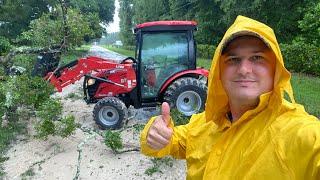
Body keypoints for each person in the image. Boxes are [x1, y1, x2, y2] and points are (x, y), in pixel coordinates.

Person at [140, 15, 320, 179]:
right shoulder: (205, 124)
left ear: (276, 68)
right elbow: (173, 141)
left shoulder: (298, 133)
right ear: (219, 71)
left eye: (257, 58)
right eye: (233, 60)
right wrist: (155, 133)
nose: (244, 70)